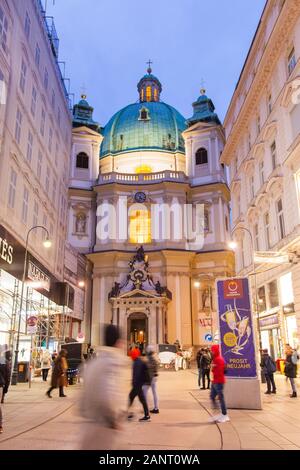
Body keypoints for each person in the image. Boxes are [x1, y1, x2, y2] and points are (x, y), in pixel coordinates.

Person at [79, 324, 129, 449]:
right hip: (104, 428)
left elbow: (81, 402)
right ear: (118, 342)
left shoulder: (93, 363)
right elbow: (107, 396)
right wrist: (113, 420)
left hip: (89, 426)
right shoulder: (112, 363)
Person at [128, 348, 151, 422]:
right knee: (131, 396)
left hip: (137, 384)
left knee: (142, 399)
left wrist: (134, 383)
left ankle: (147, 415)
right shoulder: (138, 361)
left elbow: (137, 374)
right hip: (138, 384)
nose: (131, 356)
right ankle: (130, 414)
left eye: (132, 354)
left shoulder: (137, 362)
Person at [210, 344, 229, 423]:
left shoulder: (219, 359)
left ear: (215, 351)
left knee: (221, 398)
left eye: (212, 351)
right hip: (215, 381)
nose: (211, 352)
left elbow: (220, 371)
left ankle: (224, 415)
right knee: (212, 397)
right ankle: (219, 413)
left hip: (219, 381)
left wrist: (213, 369)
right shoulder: (215, 359)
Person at [143, 345, 159, 414]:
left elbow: (148, 369)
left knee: (144, 392)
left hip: (150, 378)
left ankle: (146, 408)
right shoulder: (155, 358)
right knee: (154, 392)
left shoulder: (149, 358)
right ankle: (156, 408)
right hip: (155, 377)